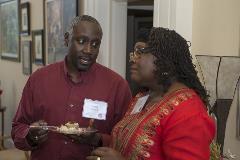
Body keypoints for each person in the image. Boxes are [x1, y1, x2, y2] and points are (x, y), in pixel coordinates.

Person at [11, 15, 132, 160]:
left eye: (95, 44)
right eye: (81, 41)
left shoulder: (117, 86)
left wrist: (98, 139)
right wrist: (30, 136)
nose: (88, 50)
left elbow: (127, 142)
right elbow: (18, 128)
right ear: (67, 39)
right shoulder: (39, 79)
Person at [86, 27, 216, 160]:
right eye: (134, 53)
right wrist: (99, 140)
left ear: (164, 58)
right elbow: (131, 146)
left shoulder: (188, 111)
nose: (133, 59)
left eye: (140, 52)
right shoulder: (142, 97)